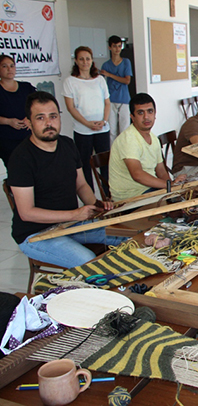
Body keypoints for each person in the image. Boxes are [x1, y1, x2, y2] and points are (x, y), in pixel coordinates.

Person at [8, 91, 124, 269]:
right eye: (40, 118)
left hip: (69, 224)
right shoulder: (21, 158)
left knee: (125, 233)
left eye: (53, 116)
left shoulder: (68, 145)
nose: (49, 123)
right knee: (89, 261)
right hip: (35, 234)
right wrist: (74, 214)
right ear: (29, 123)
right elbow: (26, 213)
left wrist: (97, 206)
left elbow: (81, 185)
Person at [109, 93, 186, 201]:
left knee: (188, 196)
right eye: (140, 113)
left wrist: (171, 188)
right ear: (132, 117)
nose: (146, 117)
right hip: (131, 197)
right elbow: (137, 175)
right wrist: (169, 185)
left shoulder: (153, 139)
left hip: (149, 190)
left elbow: (161, 171)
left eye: (150, 111)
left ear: (155, 114)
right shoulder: (128, 139)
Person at [63, 46, 111, 194]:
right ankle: (90, 196)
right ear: (76, 61)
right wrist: (87, 123)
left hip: (102, 128)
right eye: (81, 59)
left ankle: (108, 193)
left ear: (92, 61)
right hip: (83, 130)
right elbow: (71, 107)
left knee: (105, 162)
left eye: (88, 59)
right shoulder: (70, 81)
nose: (85, 62)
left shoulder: (100, 80)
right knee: (84, 164)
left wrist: (104, 121)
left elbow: (107, 103)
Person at [0, 54, 36, 168]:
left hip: (29, 136)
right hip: (7, 140)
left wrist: (29, 118)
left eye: (12, 66)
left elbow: (37, 106)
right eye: (4, 66)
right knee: (15, 169)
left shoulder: (26, 87)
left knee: (35, 167)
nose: (9, 69)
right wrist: (8, 121)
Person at [100, 35, 133, 143]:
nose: (117, 49)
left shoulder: (126, 62)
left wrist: (110, 75)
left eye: (119, 46)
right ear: (110, 47)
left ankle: (125, 150)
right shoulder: (106, 65)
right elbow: (101, 82)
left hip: (124, 100)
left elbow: (127, 80)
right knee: (112, 131)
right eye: (114, 46)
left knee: (125, 130)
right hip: (110, 100)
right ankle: (113, 152)